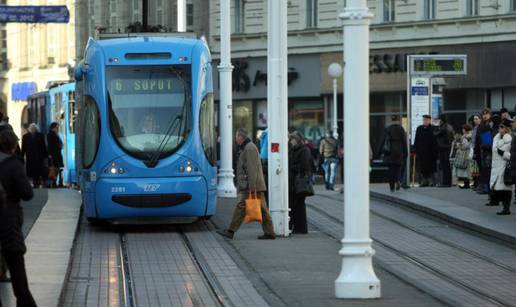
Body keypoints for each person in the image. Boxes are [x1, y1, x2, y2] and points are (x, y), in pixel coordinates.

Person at [0, 129, 37, 307]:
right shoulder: (13, 165)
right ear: (13, 146)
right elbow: (27, 193)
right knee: (16, 266)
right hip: (8, 220)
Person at [218, 128, 275, 240]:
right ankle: (269, 232)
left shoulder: (249, 148)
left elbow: (252, 169)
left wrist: (252, 187)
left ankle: (231, 231)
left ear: (240, 137)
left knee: (242, 207)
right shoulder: (247, 147)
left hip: (250, 186)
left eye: (236, 136)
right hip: (251, 185)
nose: (235, 139)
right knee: (262, 210)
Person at [486, 119, 512, 215]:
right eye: (499, 127)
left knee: (506, 188)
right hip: (496, 166)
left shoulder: (510, 139)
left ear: (506, 129)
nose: (499, 129)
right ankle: (502, 206)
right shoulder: (496, 138)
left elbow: (511, 155)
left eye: (502, 127)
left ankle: (506, 208)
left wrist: (502, 153)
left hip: (505, 167)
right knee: (499, 188)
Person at [288, 131, 312, 234]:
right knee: (293, 205)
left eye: (292, 139)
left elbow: (305, 166)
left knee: (299, 205)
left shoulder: (304, 150)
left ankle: (301, 228)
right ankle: (295, 227)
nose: (291, 142)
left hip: (299, 182)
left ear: (297, 140)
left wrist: (292, 167)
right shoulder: (292, 150)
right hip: (293, 181)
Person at [381, 115, 408, 192]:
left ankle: (392, 187)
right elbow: (404, 142)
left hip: (390, 152)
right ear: (398, 121)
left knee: (391, 170)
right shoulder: (401, 129)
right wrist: (405, 153)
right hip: (399, 151)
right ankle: (398, 180)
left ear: (392, 121)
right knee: (398, 168)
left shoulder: (388, 129)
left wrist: (379, 152)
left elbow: (383, 140)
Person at [21, 124, 47, 188]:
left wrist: (45, 155)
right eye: (31, 128)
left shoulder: (41, 136)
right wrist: (21, 155)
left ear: (36, 129)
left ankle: (36, 182)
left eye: (34, 128)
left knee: (38, 169)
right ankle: (33, 181)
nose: (33, 129)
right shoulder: (25, 136)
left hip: (39, 156)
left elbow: (43, 146)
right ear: (29, 129)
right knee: (31, 169)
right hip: (30, 156)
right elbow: (23, 147)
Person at [475, 109, 494, 194]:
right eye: (483, 114)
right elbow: (477, 139)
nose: (485, 115)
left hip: (490, 149)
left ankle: (487, 188)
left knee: (487, 169)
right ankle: (484, 187)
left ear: (490, 115)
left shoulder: (492, 124)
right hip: (482, 149)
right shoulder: (481, 125)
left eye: (487, 114)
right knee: (483, 169)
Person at [414, 115, 437, 187]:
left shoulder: (433, 128)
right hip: (422, 152)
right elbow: (416, 139)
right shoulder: (419, 128)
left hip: (430, 152)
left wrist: (435, 151)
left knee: (431, 167)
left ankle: (431, 181)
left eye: (426, 120)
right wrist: (415, 149)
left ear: (429, 120)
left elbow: (435, 141)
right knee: (422, 167)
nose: (425, 121)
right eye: (424, 120)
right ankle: (424, 180)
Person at [434, 114, 454, 187]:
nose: (438, 121)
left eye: (439, 119)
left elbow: (435, 134)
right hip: (447, 147)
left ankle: (446, 183)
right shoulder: (449, 126)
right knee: (447, 166)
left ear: (441, 120)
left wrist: (436, 127)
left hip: (443, 148)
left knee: (445, 166)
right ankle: (448, 182)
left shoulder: (443, 127)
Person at [453, 124, 472, 189]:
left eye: (463, 129)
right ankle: (465, 184)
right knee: (464, 170)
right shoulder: (465, 136)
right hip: (465, 154)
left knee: (464, 169)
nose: (462, 130)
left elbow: (466, 145)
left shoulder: (467, 137)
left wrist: (459, 145)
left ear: (466, 130)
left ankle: (465, 184)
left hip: (465, 154)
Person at [46, 122, 64, 188]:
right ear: (53, 128)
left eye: (58, 127)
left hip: (57, 154)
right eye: (56, 127)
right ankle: (52, 183)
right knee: (53, 169)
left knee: (55, 169)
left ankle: (54, 183)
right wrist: (50, 154)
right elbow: (50, 146)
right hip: (54, 155)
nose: (57, 129)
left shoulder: (55, 134)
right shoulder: (50, 134)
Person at [470, 115, 482, 189]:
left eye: (477, 119)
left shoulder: (480, 127)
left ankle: (479, 184)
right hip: (474, 148)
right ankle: (476, 183)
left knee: (479, 167)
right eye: (474, 119)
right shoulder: (474, 128)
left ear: (480, 119)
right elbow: (473, 140)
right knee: (474, 167)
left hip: (479, 149)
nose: (475, 120)